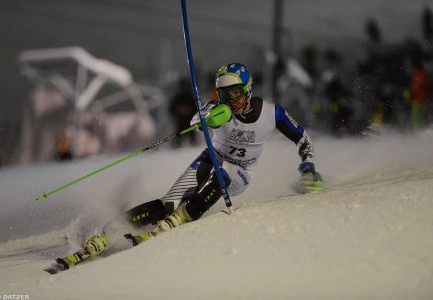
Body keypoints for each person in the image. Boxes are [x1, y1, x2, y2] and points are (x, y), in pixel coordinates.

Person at [70, 63, 323, 264]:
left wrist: (308, 166)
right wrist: (205, 119)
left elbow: (302, 137)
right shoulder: (218, 108)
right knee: (168, 202)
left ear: (247, 89)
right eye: (224, 94)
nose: (230, 99)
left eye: (235, 92)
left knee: (222, 173)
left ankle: (183, 216)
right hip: (208, 158)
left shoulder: (272, 113)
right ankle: (111, 230)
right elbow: (197, 118)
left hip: (241, 173)